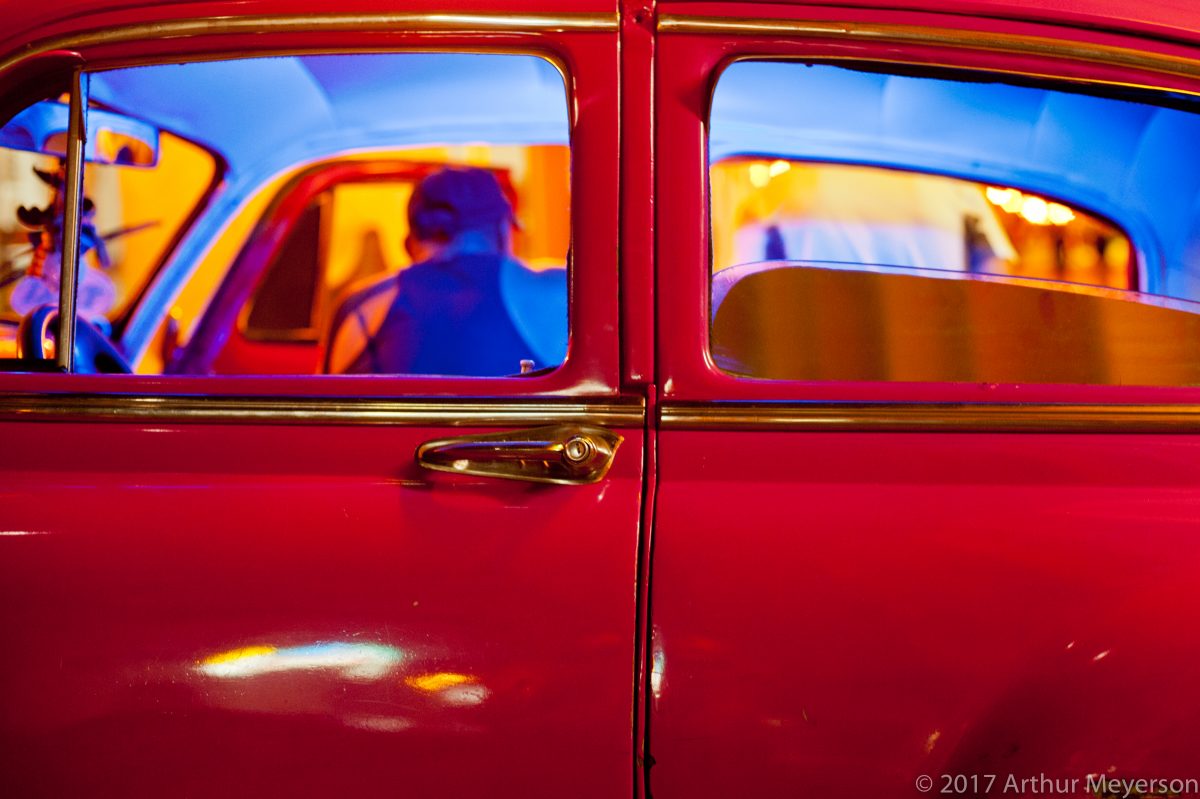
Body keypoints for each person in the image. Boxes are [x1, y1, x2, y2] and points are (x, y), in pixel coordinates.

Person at [324, 166, 566, 376]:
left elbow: (323, 416)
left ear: (410, 244)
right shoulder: (562, 292)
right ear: (503, 232)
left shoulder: (360, 309)